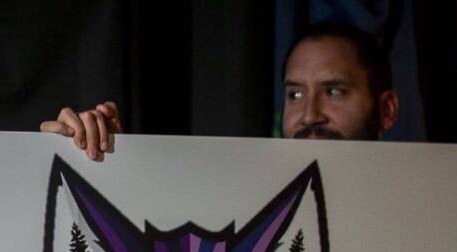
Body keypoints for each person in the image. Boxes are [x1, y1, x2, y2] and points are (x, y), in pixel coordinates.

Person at [41, 20, 399, 156]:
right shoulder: (245, 203)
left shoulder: (434, 211)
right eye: (296, 94)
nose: (310, 114)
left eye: (334, 91)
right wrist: (103, 159)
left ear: (386, 110)